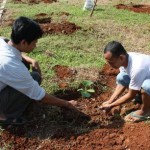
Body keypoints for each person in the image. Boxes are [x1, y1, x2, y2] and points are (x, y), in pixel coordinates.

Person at [0, 16, 77, 125]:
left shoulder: (2, 42)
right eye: (34, 43)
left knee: (26, 66)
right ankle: (5, 116)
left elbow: (7, 42)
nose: (35, 46)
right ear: (23, 42)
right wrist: (66, 104)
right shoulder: (11, 65)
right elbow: (39, 96)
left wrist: (31, 60)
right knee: (35, 78)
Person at [101, 41, 150, 123]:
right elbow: (122, 83)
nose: (110, 65)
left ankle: (145, 111)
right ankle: (144, 97)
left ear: (121, 58)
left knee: (147, 86)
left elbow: (131, 95)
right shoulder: (125, 59)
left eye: (111, 62)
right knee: (121, 77)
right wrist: (110, 101)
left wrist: (111, 106)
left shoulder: (137, 68)